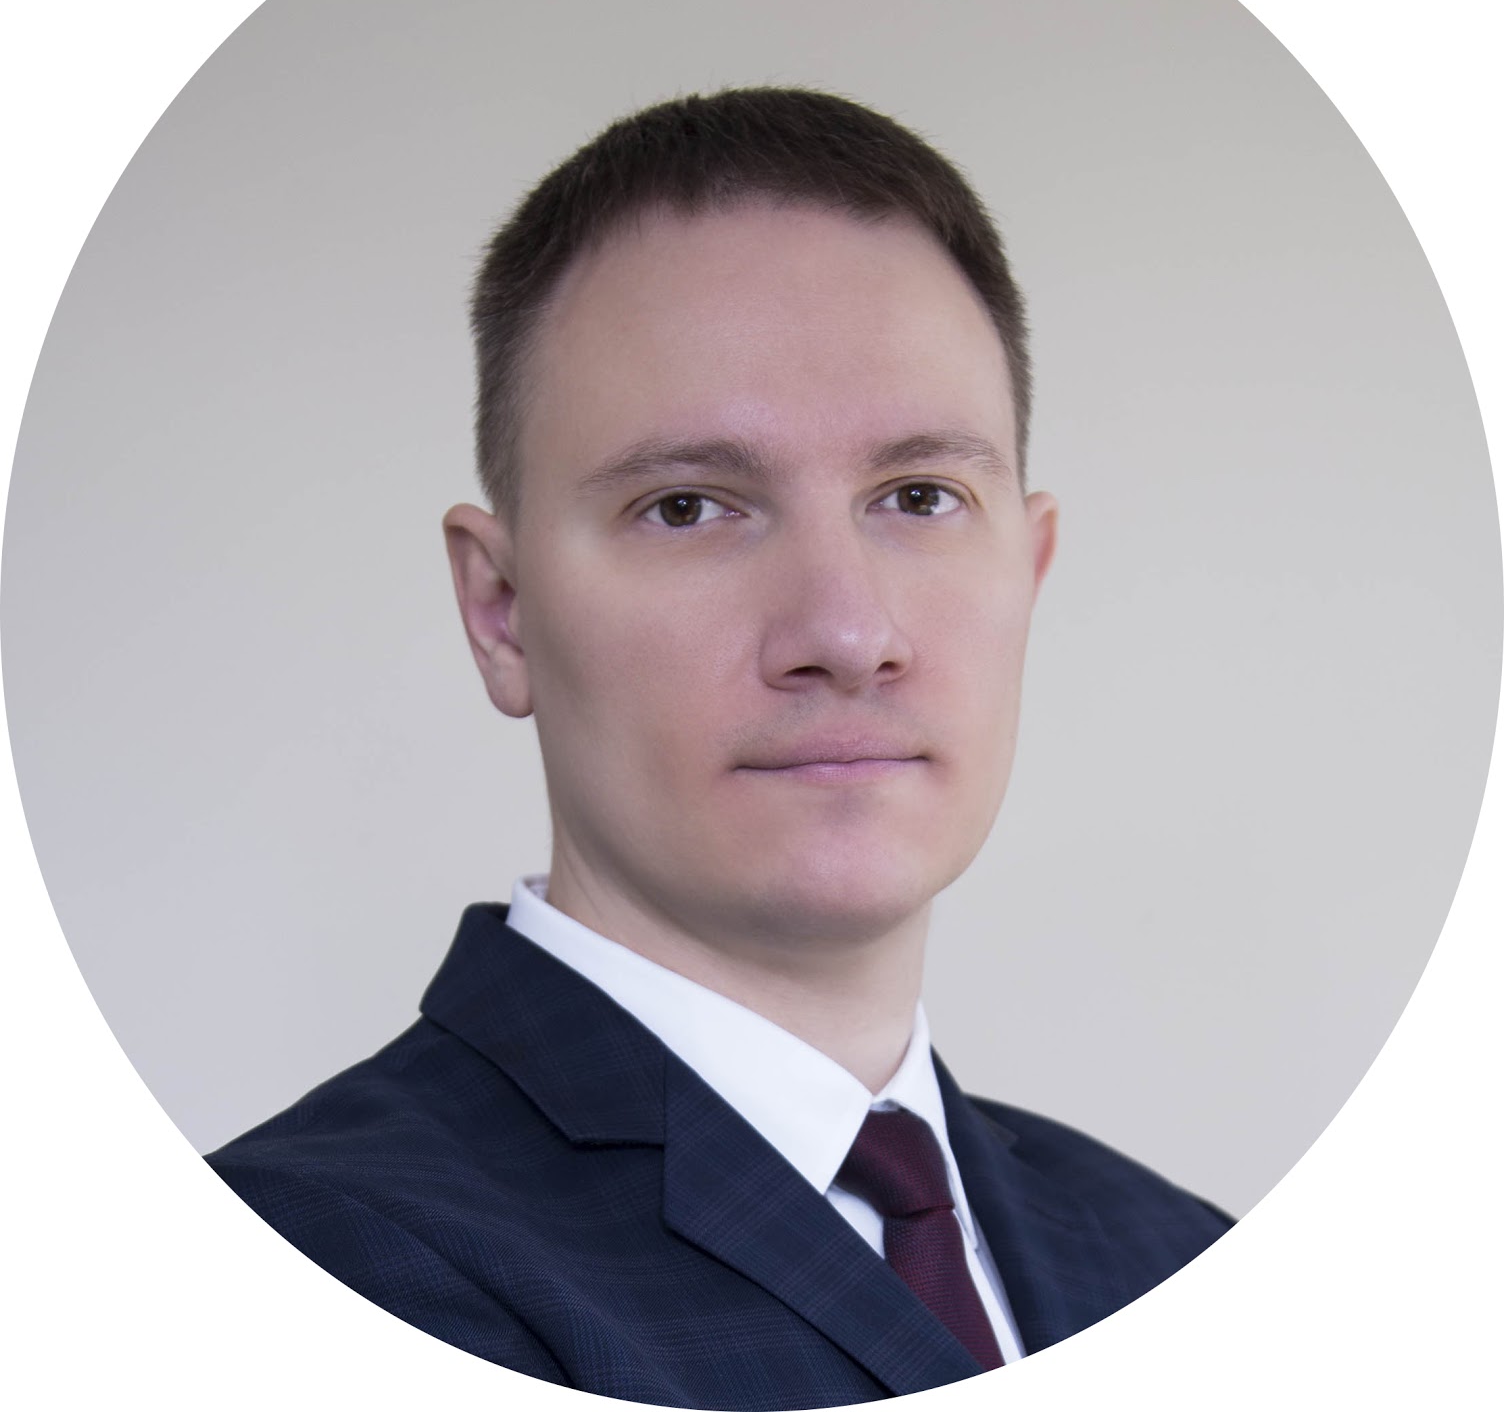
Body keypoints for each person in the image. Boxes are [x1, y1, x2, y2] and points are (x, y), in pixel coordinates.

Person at [207, 87, 1231, 1407]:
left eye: (920, 495)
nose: (847, 633)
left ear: (1027, 572)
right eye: (689, 507)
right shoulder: (308, 1277)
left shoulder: (1179, 1260)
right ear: (502, 611)